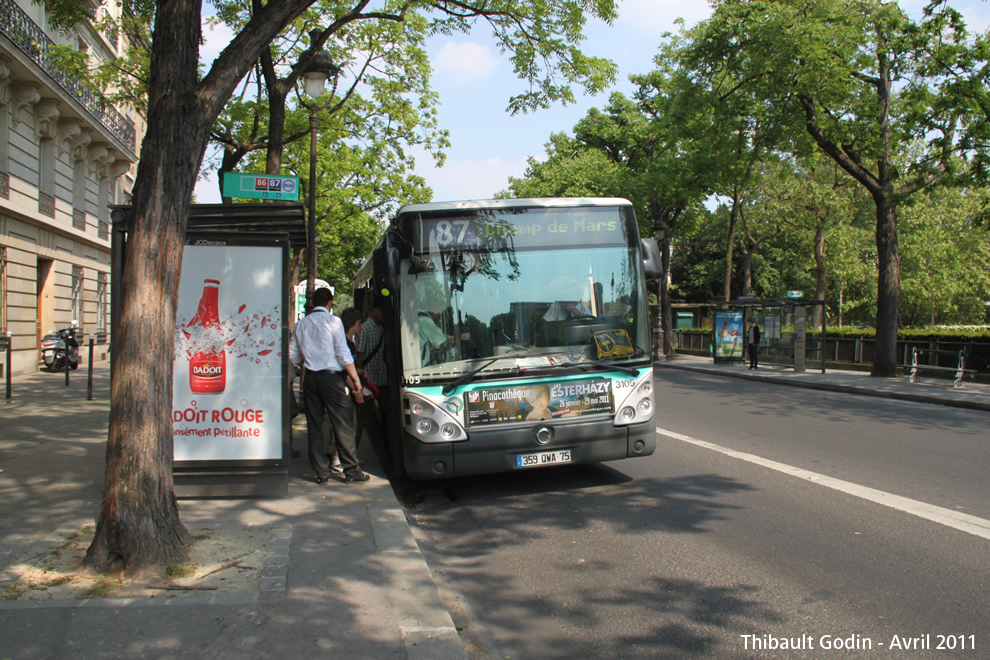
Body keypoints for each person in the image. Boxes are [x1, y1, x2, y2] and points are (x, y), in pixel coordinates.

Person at [288, 288, 369, 484]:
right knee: (342, 424)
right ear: (330, 303)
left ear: (313, 303)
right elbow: (343, 353)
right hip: (332, 379)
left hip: (311, 379)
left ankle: (321, 473)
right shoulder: (334, 322)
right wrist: (355, 379)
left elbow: (292, 356)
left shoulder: (300, 325)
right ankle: (351, 471)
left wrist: (309, 359)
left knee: (314, 425)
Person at [356, 296, 389, 446]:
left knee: (389, 412)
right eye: (381, 310)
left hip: (382, 378)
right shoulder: (365, 329)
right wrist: (361, 378)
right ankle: (353, 449)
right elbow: (360, 355)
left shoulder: (382, 328)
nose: (383, 314)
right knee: (361, 418)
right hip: (369, 382)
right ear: (373, 310)